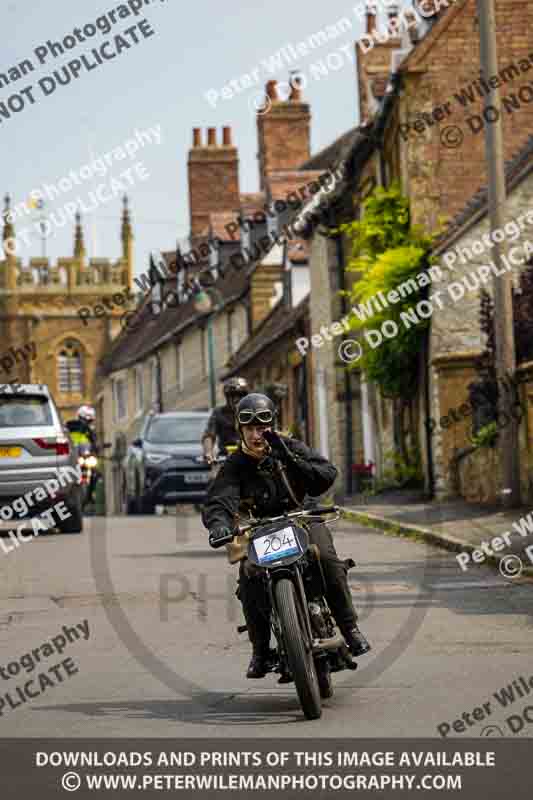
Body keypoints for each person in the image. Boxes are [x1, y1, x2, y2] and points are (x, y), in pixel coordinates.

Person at [202, 392, 371, 680]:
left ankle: (350, 629)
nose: (257, 435)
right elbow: (220, 499)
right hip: (262, 527)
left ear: (272, 426)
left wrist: (288, 457)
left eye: (262, 428)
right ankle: (260, 651)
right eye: (250, 428)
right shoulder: (235, 464)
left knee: (327, 559)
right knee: (249, 574)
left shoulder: (289, 446)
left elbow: (326, 475)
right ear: (241, 430)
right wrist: (219, 525)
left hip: (302, 517)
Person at [201, 377, 249, 470]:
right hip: (226, 458)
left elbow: (265, 431)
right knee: (216, 481)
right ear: (227, 397)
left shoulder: (253, 411)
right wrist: (208, 452)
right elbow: (209, 435)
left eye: (240, 396)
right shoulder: (218, 413)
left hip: (250, 457)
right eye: (233, 396)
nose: (236, 399)